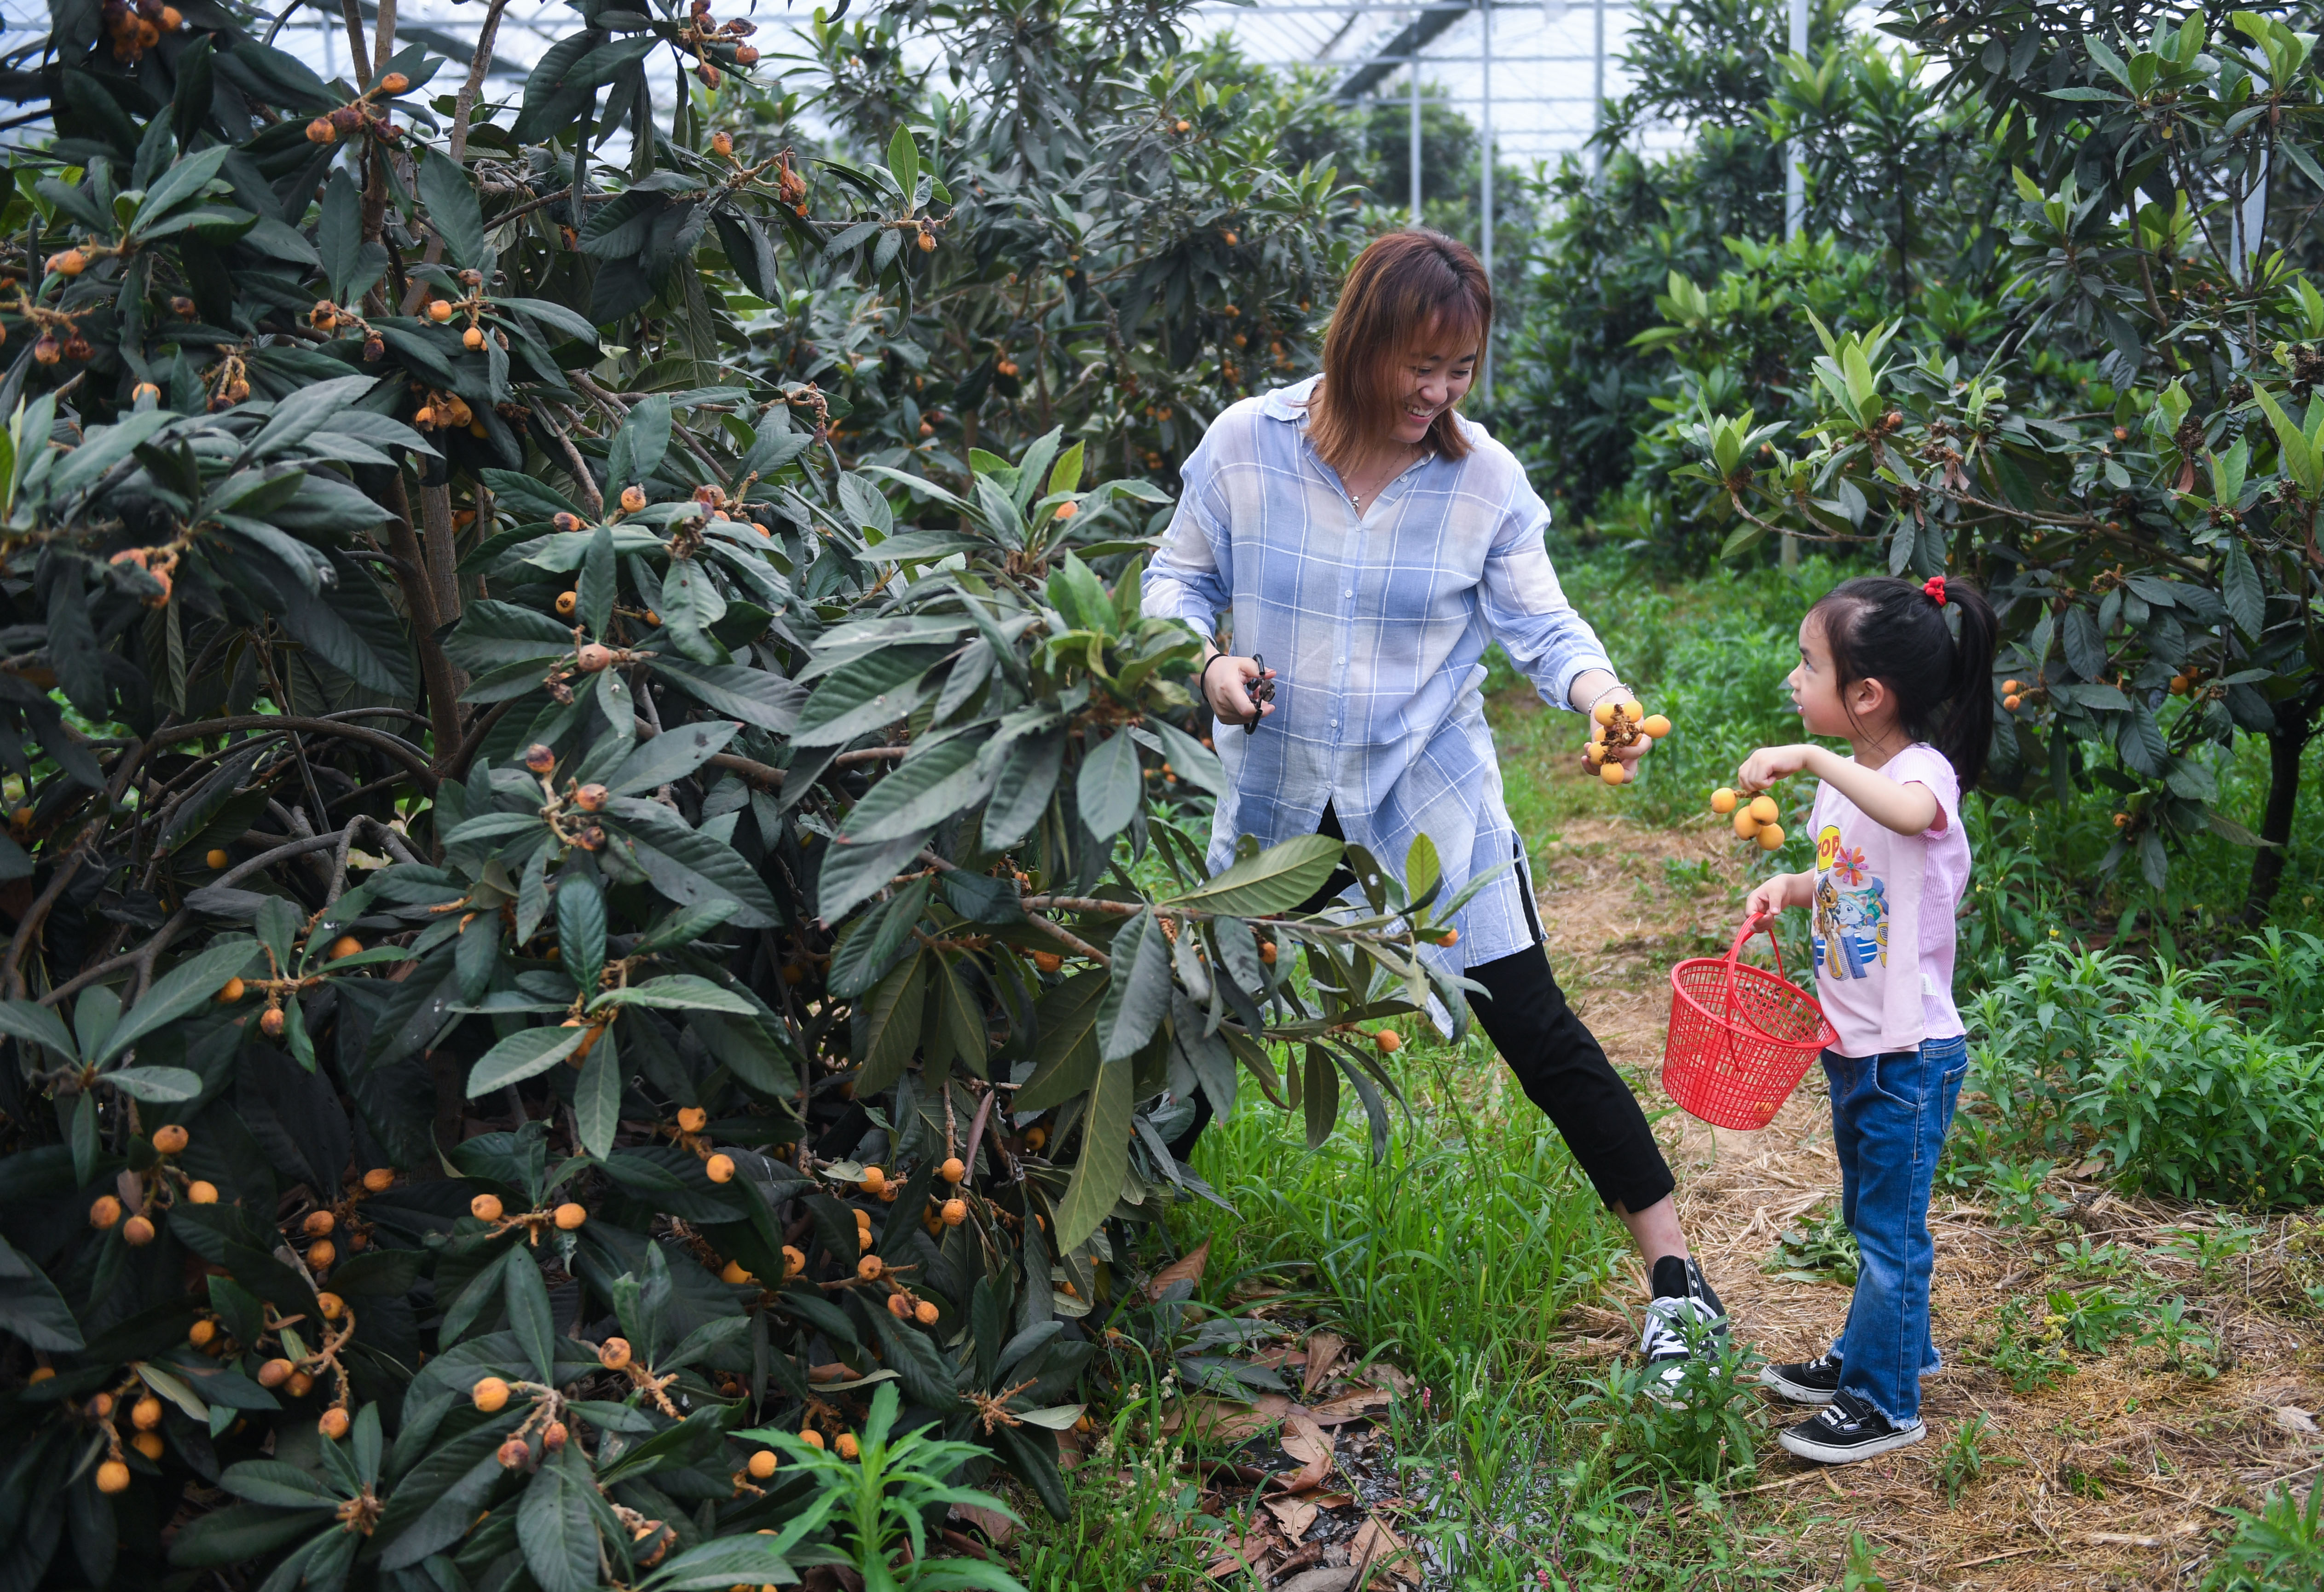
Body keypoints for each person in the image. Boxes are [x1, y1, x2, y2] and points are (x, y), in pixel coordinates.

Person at [1139, 228, 1726, 1394]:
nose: (1438, 392)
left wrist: (1600, 692)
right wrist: (1205, 667)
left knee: (1536, 1029)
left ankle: (1677, 1286)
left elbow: (1543, 628)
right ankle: (1108, 1267)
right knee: (1202, 1022)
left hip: (1426, 803)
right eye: (1420, 365)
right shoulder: (1245, 447)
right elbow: (1177, 579)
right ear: (1361, 338)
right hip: (1276, 798)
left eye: (1459, 368)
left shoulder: (1482, 482)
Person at [1736, 572, 1999, 1462]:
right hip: (1853, 1044)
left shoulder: (1917, 773)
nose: (1791, 681)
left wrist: (1809, 758)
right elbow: (1855, 872)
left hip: (1910, 1052)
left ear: (1867, 696)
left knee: (1891, 1230)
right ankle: (1886, 1349)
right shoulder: (1846, 789)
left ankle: (1884, 1403)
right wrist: (1794, 883)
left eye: (1806, 665)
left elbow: (1911, 816)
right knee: (1869, 1216)